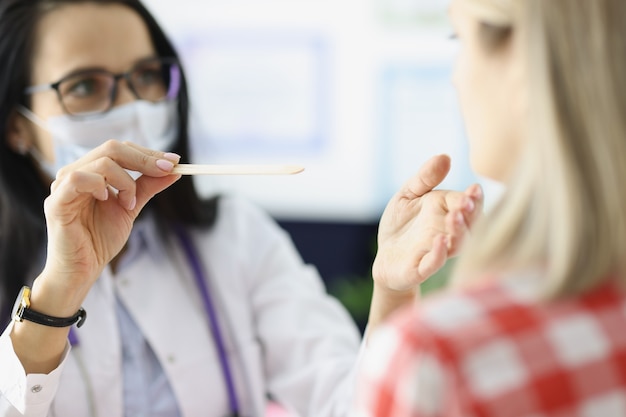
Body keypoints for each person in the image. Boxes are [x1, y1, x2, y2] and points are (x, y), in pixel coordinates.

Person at [0, 0, 484, 416]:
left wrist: (391, 289)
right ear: (15, 127)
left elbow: (353, 405)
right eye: (85, 86)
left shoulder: (236, 237)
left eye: (146, 76)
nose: (131, 105)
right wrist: (58, 293)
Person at [354, 0, 626, 416]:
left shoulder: (439, 360)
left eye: (458, 38)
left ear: (521, 61)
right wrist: (393, 292)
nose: (455, 76)